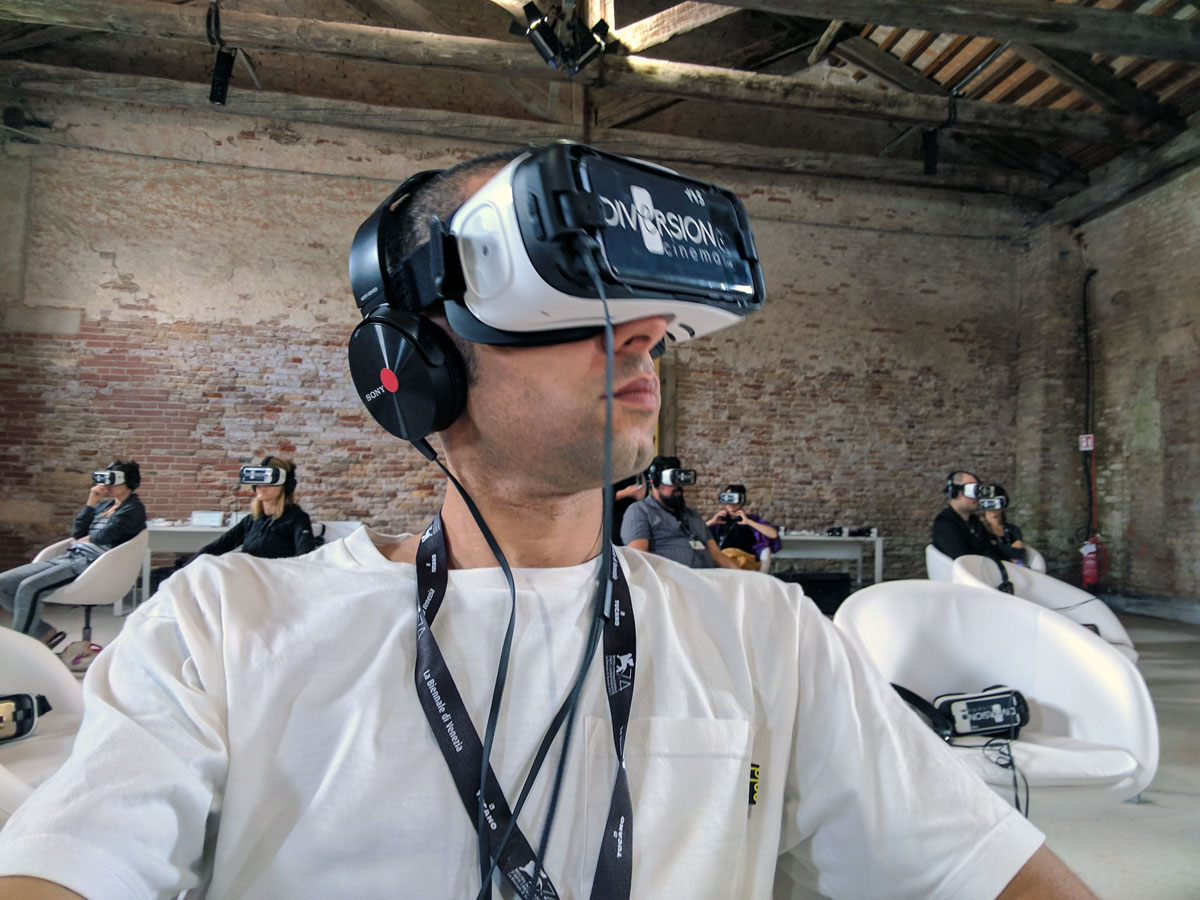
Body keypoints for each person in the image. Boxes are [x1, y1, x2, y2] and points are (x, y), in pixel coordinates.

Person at [0, 146, 1096, 900]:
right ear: (415, 361)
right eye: (569, 301)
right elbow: (76, 862)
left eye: (651, 313)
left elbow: (980, 873)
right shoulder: (223, 623)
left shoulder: (770, 638)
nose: (645, 335)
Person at [0, 461, 146, 648]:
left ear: (129, 481)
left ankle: (21, 647)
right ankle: (43, 632)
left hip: (91, 563)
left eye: (113, 480)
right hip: (70, 556)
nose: (107, 485)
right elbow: (77, 532)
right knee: (3, 583)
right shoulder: (105, 506)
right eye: (105, 479)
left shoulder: (134, 508)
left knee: (29, 588)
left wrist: (88, 538)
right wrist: (91, 503)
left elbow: (107, 535)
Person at [151, 456, 320, 591]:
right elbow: (217, 547)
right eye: (258, 479)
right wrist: (185, 570)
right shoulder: (252, 520)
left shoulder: (297, 519)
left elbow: (305, 562)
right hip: (245, 582)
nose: (261, 486)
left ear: (286, 485)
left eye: (269, 480)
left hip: (272, 586)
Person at [620, 455, 741, 569]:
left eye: (680, 479)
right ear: (655, 482)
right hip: (669, 581)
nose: (678, 486)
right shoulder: (640, 511)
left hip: (706, 579)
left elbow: (716, 555)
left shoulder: (693, 515)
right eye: (672, 480)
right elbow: (639, 557)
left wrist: (744, 576)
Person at [931, 469, 1004, 562]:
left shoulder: (974, 521)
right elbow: (964, 560)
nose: (977, 496)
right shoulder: (945, 524)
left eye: (978, 490)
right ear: (954, 492)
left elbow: (990, 549)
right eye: (972, 490)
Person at [706, 483, 781, 570]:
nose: (731, 502)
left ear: (742, 500)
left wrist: (748, 522)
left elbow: (773, 534)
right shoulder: (719, 521)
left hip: (744, 559)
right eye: (728, 498)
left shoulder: (751, 519)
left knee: (721, 561)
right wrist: (712, 521)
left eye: (735, 498)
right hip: (722, 558)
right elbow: (695, 533)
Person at [982, 485, 1028, 565]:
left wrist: (995, 545)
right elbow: (987, 552)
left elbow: (1019, 553)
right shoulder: (980, 529)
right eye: (989, 503)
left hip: (1013, 568)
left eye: (996, 503)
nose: (993, 510)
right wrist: (1010, 550)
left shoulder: (1012, 529)